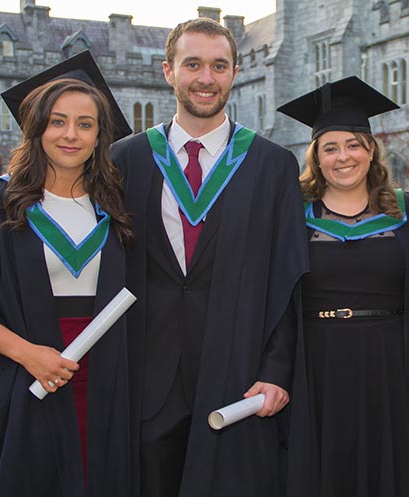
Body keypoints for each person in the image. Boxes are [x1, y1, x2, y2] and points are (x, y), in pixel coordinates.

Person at [109, 18, 308, 497]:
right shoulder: (126, 159)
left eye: (219, 66)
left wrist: (276, 371)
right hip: (147, 374)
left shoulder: (272, 165)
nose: (206, 78)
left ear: (235, 72)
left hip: (237, 368)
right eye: (192, 64)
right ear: (167, 71)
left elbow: (289, 275)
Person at [0, 51, 135, 497]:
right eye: (58, 121)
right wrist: (29, 355)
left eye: (85, 123)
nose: (70, 134)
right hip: (24, 378)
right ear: (36, 126)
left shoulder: (116, 207)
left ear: (101, 135)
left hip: (106, 380)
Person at [277, 76, 409, 497]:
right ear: (316, 157)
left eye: (353, 145)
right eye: (330, 148)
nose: (343, 157)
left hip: (391, 366)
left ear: (370, 150)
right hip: (317, 365)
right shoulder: (292, 216)